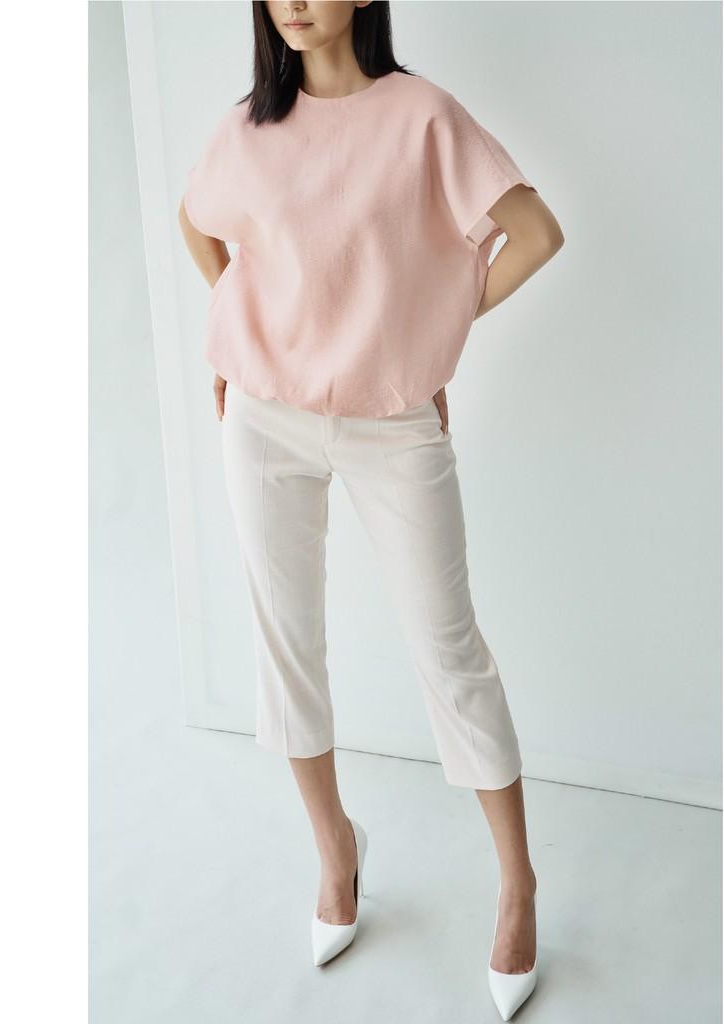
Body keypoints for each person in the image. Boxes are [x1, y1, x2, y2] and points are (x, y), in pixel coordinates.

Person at [179, 2, 564, 1018]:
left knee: (450, 650)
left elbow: (533, 234)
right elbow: (197, 222)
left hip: (394, 424)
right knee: (287, 644)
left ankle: (517, 885)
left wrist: (426, 333)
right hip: (264, 420)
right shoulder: (248, 128)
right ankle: (335, 850)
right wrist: (236, 328)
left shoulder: (422, 116)